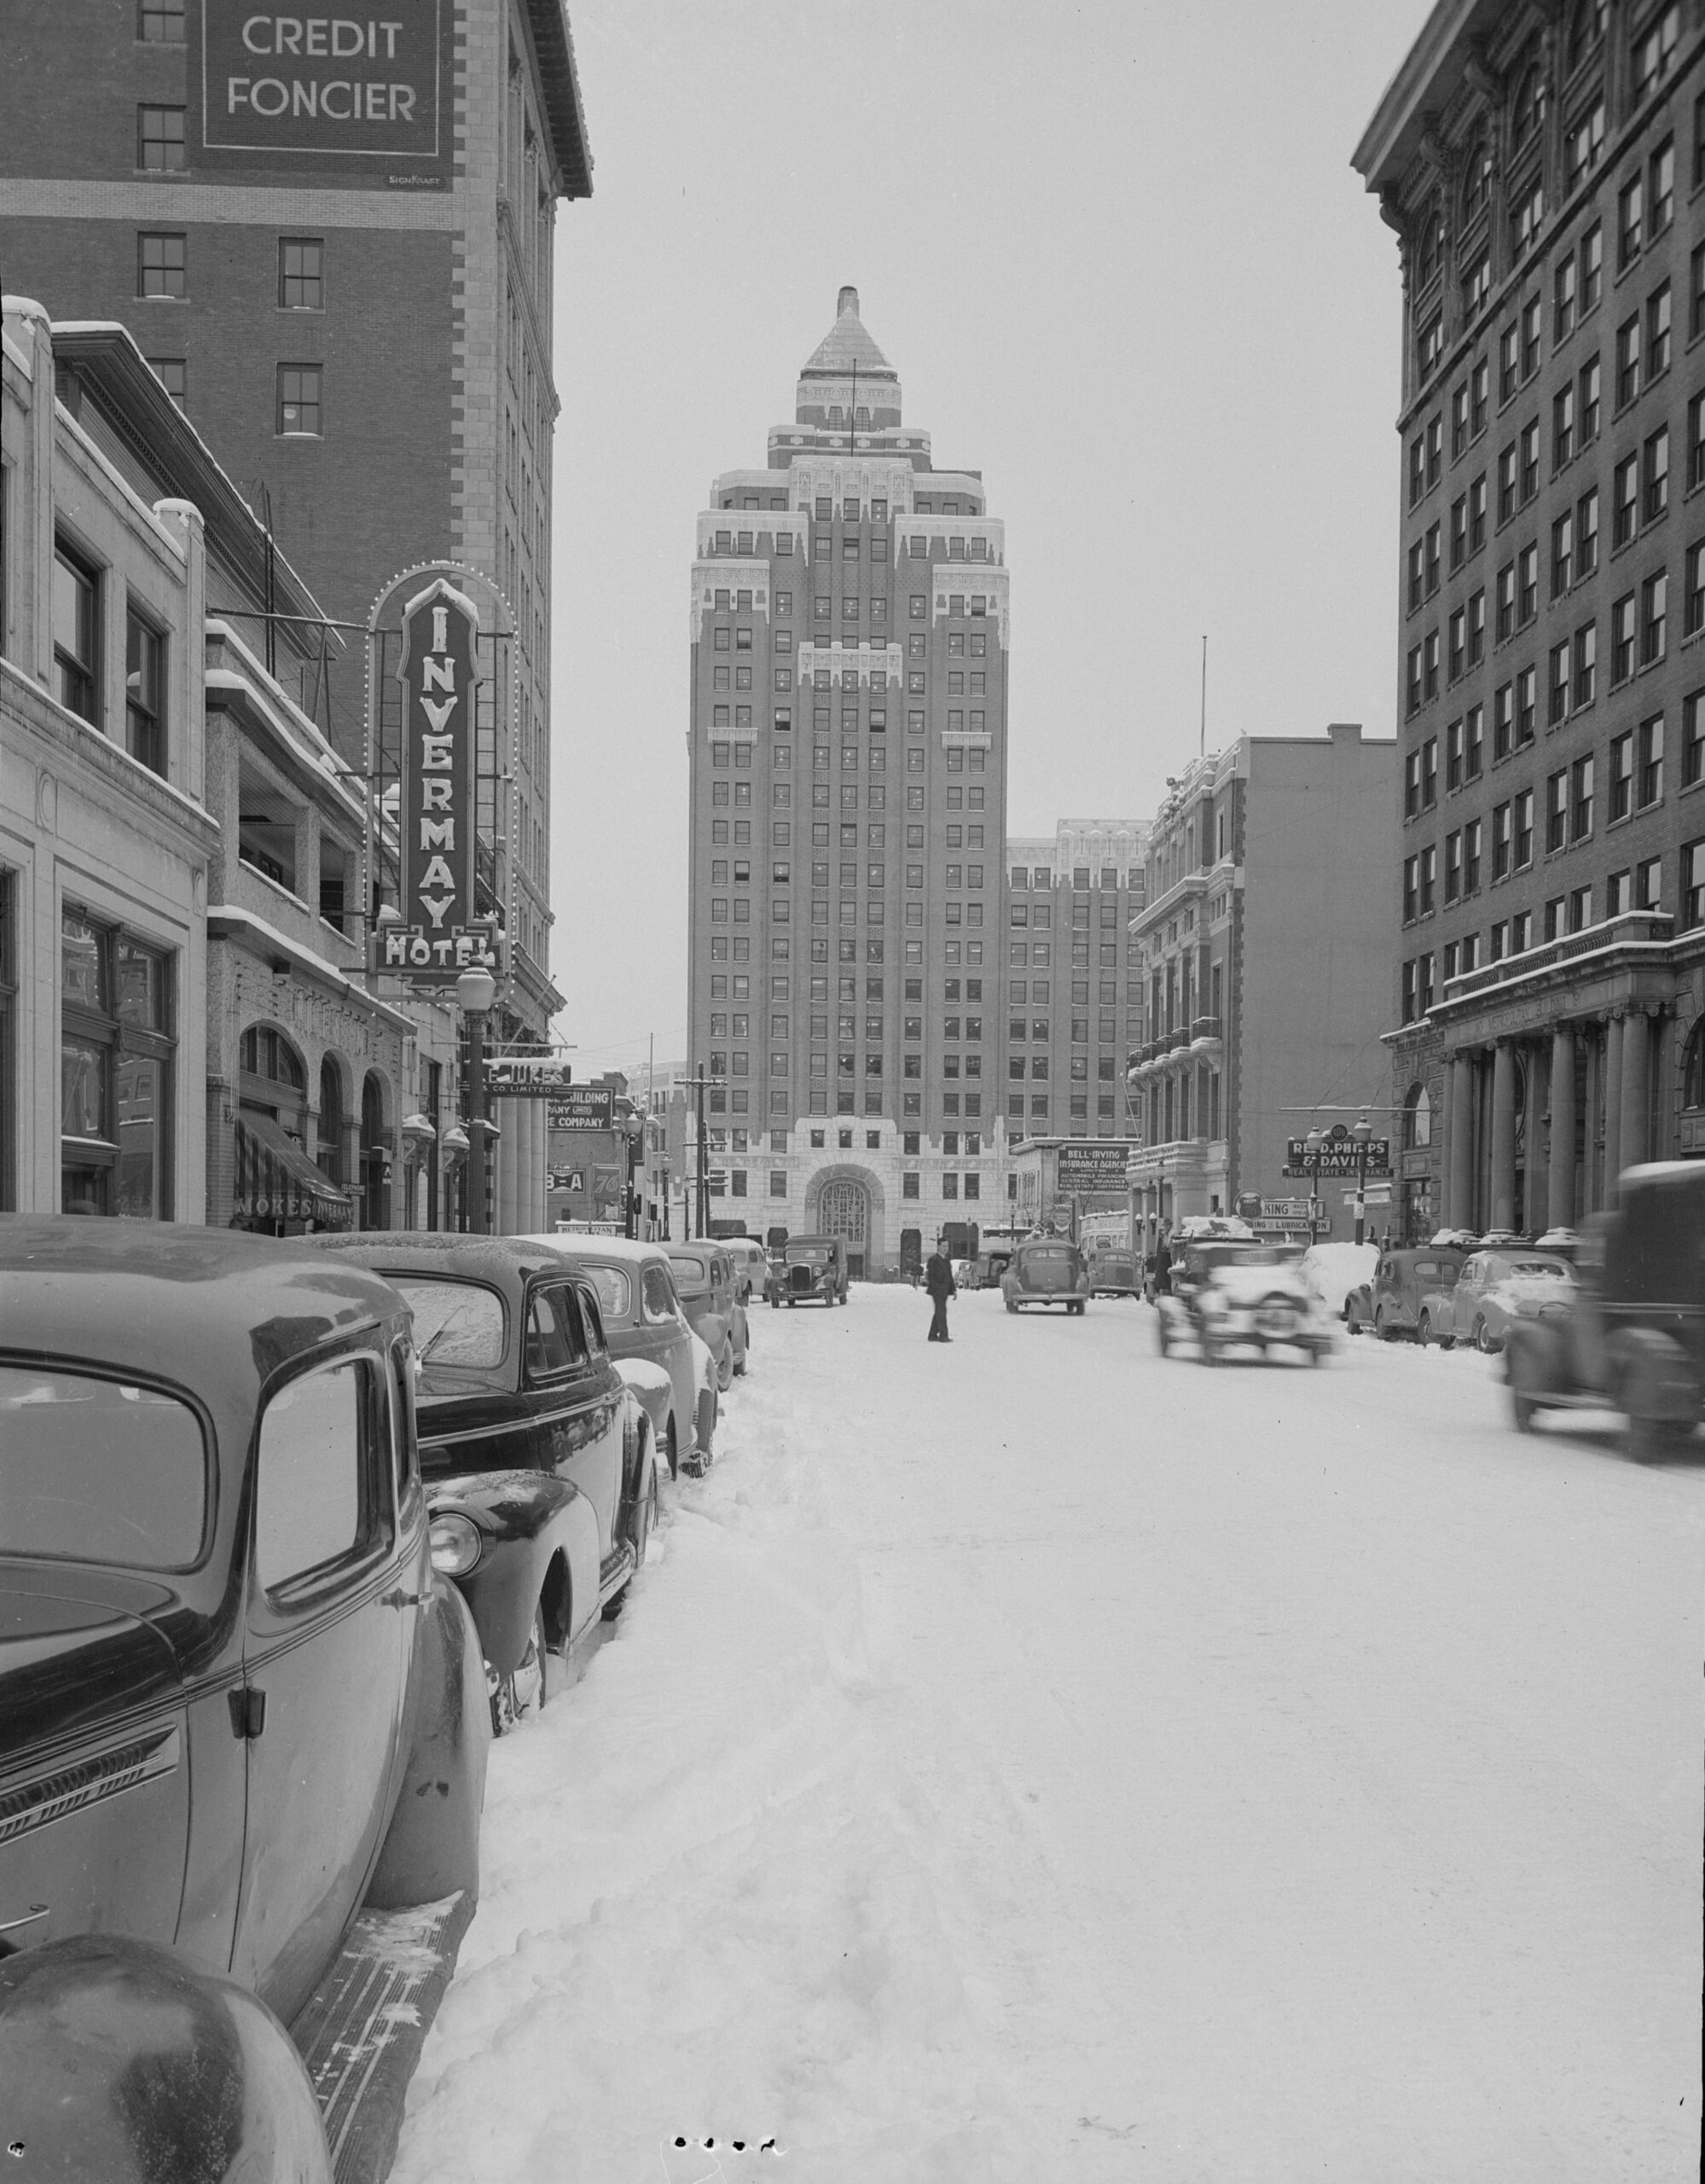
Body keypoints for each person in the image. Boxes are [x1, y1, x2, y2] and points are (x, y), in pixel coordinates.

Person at [924, 1236, 957, 1342]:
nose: (945, 1248)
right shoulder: (933, 1260)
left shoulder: (947, 1260)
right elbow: (931, 1277)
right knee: (941, 1312)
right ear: (938, 1246)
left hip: (945, 1290)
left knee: (940, 1311)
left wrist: (954, 1290)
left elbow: (950, 1276)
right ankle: (943, 1335)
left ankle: (932, 1334)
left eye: (947, 1246)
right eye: (943, 1246)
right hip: (937, 1291)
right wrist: (937, 1288)